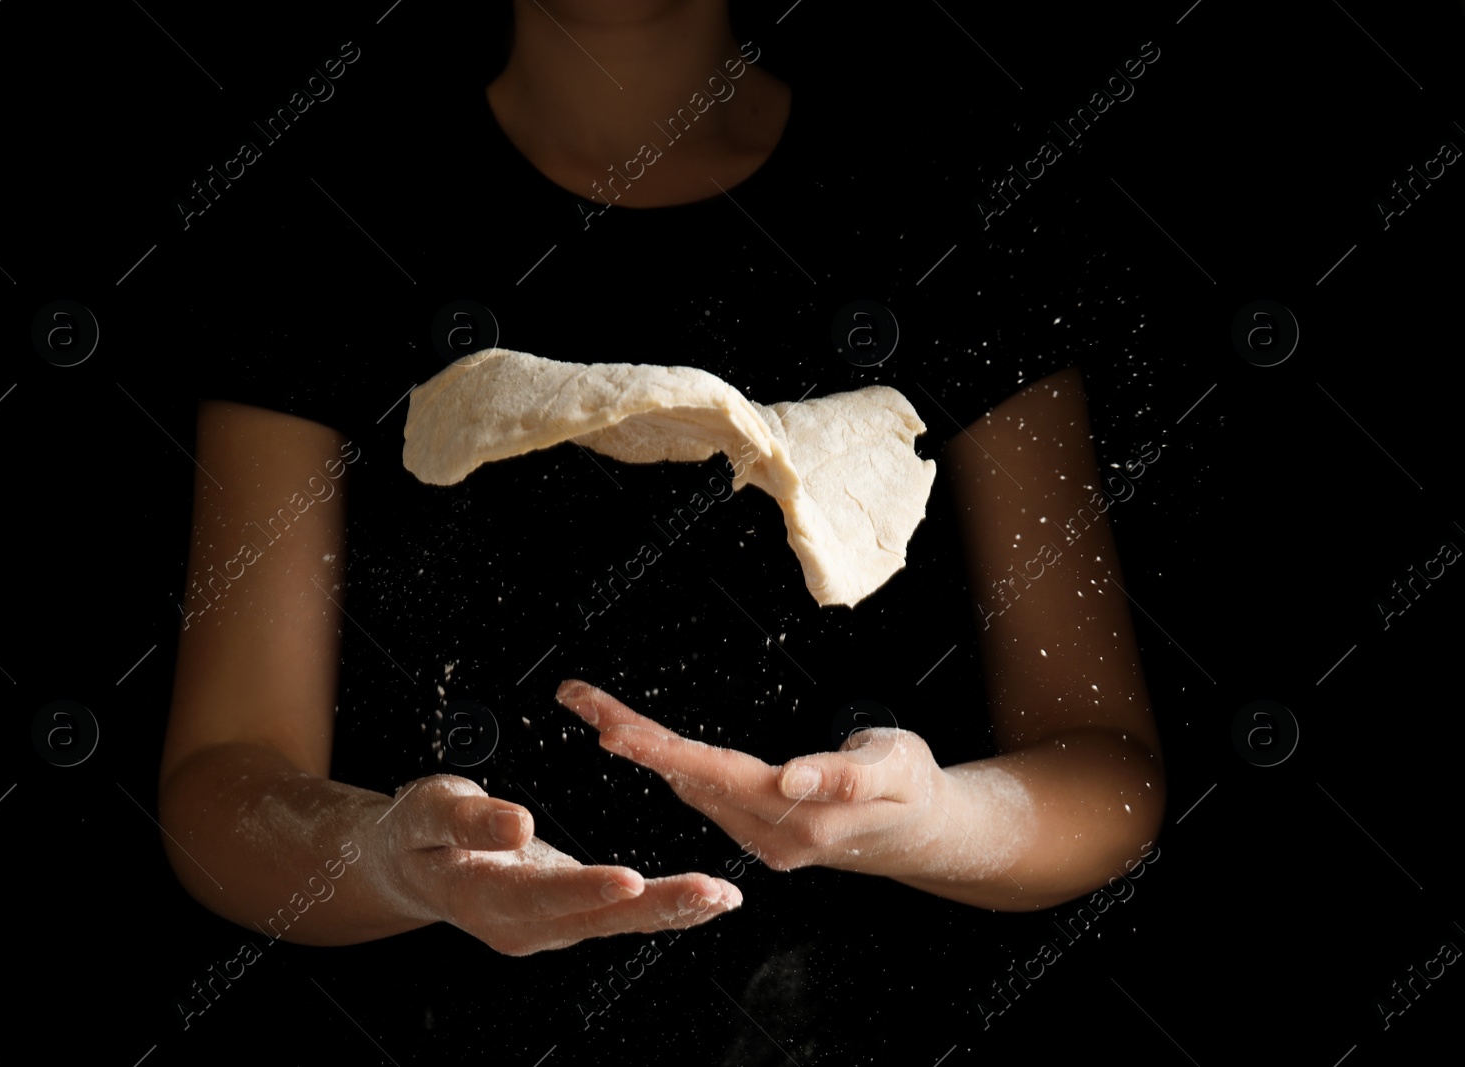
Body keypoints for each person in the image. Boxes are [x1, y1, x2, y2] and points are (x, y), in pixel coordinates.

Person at [159, 0, 1166, 1056]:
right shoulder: (322, 213)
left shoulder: (955, 200)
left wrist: (927, 819)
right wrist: (381, 856)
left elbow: (1107, 769)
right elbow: (225, 780)